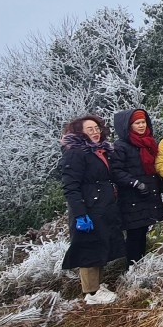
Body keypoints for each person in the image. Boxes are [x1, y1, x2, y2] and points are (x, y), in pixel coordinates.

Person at [59, 115, 123, 305]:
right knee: (89, 248)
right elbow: (70, 186)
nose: (95, 132)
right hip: (88, 208)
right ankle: (92, 293)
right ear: (79, 133)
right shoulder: (75, 153)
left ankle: (97, 285)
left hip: (102, 207)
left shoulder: (99, 151)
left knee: (100, 244)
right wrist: (80, 214)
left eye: (96, 128)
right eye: (90, 129)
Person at [110, 109, 163, 266]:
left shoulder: (148, 142)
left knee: (143, 232)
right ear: (128, 126)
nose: (142, 126)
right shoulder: (120, 146)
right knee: (135, 235)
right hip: (131, 198)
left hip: (147, 195)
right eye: (137, 123)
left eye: (143, 122)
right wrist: (134, 183)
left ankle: (139, 268)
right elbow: (115, 171)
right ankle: (132, 269)